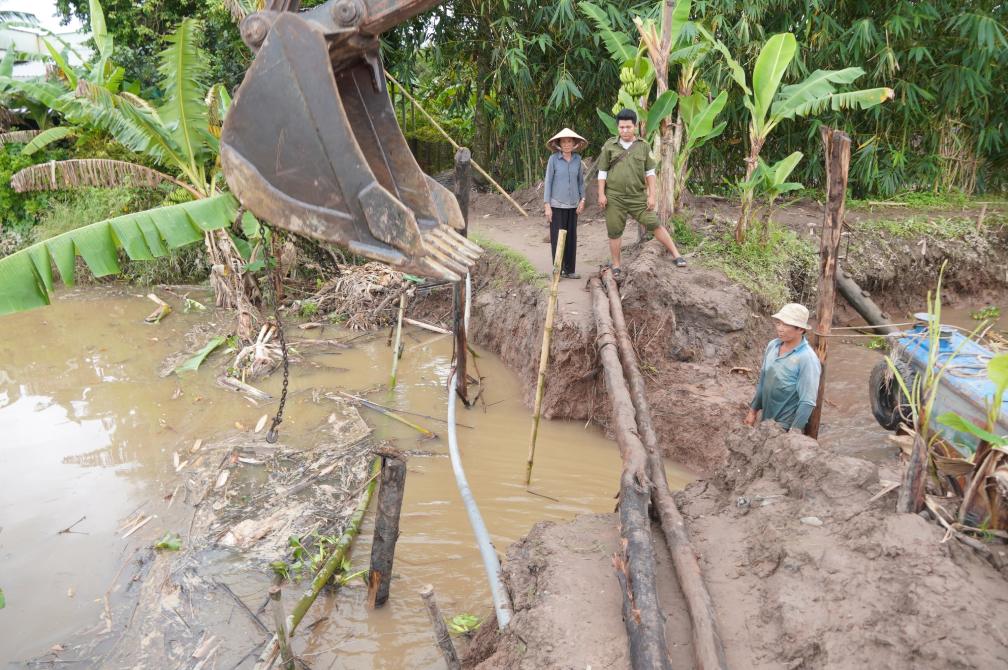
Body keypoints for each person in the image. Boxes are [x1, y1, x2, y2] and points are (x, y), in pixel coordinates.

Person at [597, 108, 686, 279]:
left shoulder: (643, 146)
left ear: (635, 126)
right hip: (614, 197)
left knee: (654, 223)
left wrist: (652, 195)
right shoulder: (610, 145)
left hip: (637, 197)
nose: (625, 130)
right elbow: (602, 172)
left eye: (628, 127)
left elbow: (650, 173)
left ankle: (676, 254)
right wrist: (601, 194)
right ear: (617, 127)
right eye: (621, 127)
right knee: (614, 231)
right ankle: (616, 264)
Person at [745, 303, 822, 433]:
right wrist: (753, 411)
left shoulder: (807, 359)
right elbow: (763, 381)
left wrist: (793, 434)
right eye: (778, 323)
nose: (780, 328)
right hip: (766, 420)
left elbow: (807, 402)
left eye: (786, 325)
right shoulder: (773, 346)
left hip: (784, 426)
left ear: (800, 329)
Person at [543, 128, 587, 279]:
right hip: (557, 205)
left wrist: (582, 200)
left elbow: (580, 182)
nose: (567, 144)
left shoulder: (577, 160)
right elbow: (548, 182)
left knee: (571, 238)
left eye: (569, 141)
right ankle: (558, 270)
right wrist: (547, 205)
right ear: (559, 144)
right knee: (557, 238)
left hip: (573, 205)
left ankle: (569, 270)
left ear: (574, 143)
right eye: (564, 142)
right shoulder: (553, 160)